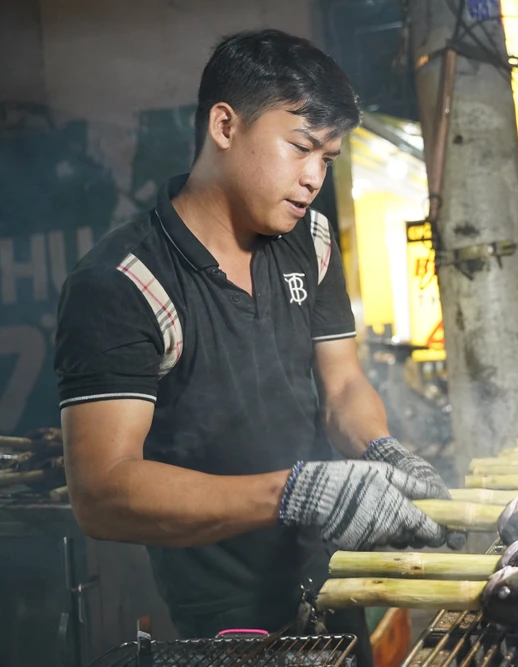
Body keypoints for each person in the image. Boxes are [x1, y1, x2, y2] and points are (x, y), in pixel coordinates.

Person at [53, 30, 461, 664]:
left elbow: (344, 385)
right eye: (300, 148)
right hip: (216, 618)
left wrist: (380, 451)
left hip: (335, 580)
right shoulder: (123, 280)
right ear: (224, 124)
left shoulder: (312, 241)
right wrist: (295, 492)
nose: (312, 180)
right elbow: (102, 492)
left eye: (326, 159)